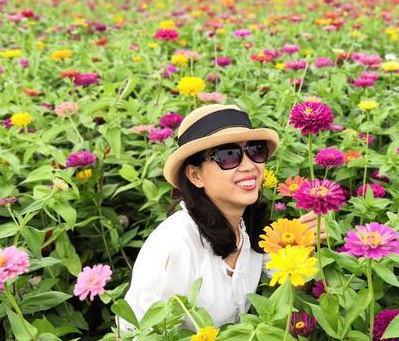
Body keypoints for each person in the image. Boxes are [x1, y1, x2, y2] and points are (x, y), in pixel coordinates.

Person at [118, 104, 325, 332]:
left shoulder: (248, 229)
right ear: (196, 175)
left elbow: (292, 289)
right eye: (228, 155)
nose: (249, 166)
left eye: (256, 150)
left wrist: (301, 249)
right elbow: (133, 332)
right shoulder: (175, 244)